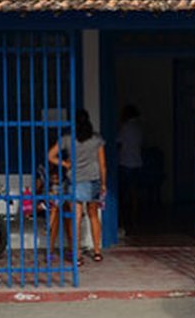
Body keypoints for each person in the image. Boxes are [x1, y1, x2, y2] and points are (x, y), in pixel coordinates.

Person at [47, 109, 107, 262]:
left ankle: (77, 255)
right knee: (93, 215)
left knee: (76, 218)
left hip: (76, 181)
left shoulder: (67, 139)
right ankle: (97, 251)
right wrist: (104, 183)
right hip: (93, 180)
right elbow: (102, 165)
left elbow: (50, 156)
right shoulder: (97, 139)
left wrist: (66, 164)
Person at [118, 104, 144, 235]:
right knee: (135, 192)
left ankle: (124, 219)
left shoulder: (125, 127)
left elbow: (118, 141)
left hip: (125, 162)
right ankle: (135, 217)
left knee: (124, 193)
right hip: (137, 162)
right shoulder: (139, 127)